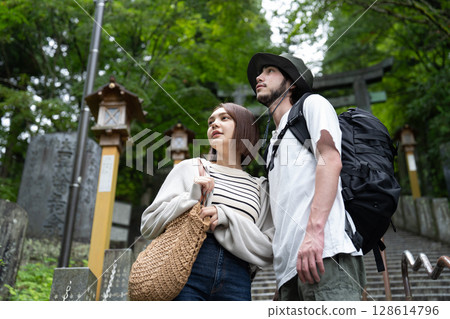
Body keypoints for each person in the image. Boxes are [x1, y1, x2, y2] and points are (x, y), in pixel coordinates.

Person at [246, 52, 366, 301]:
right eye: (261, 72)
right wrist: (282, 279)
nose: (259, 76)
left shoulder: (312, 105)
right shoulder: (273, 143)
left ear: (291, 83)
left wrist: (313, 233)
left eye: (270, 71)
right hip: (290, 270)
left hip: (326, 252)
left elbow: (330, 160)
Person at [140, 102, 274, 301]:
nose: (214, 124)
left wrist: (226, 216)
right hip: (187, 268)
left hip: (239, 277)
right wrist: (191, 198)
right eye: (211, 121)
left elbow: (268, 249)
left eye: (224, 118)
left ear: (245, 127)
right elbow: (148, 224)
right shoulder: (192, 168)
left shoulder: (261, 187)